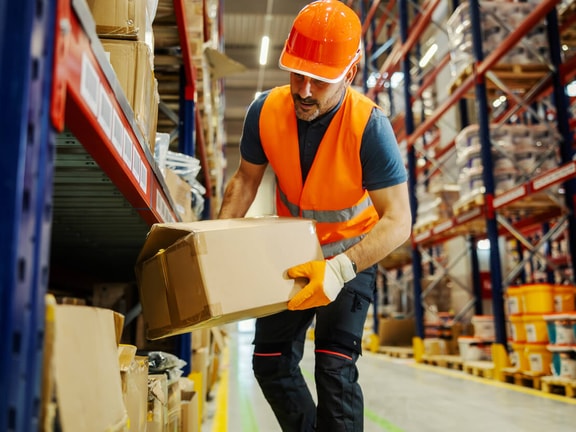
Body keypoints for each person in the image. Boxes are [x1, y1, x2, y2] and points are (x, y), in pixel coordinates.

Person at [217, 1, 412, 430]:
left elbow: (398, 220)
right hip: (292, 256)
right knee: (270, 364)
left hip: (350, 257)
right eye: (297, 73)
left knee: (334, 371)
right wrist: (215, 246)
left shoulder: (369, 128)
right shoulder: (264, 111)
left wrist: (340, 269)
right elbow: (246, 180)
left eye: (319, 80)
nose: (304, 90)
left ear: (350, 72)